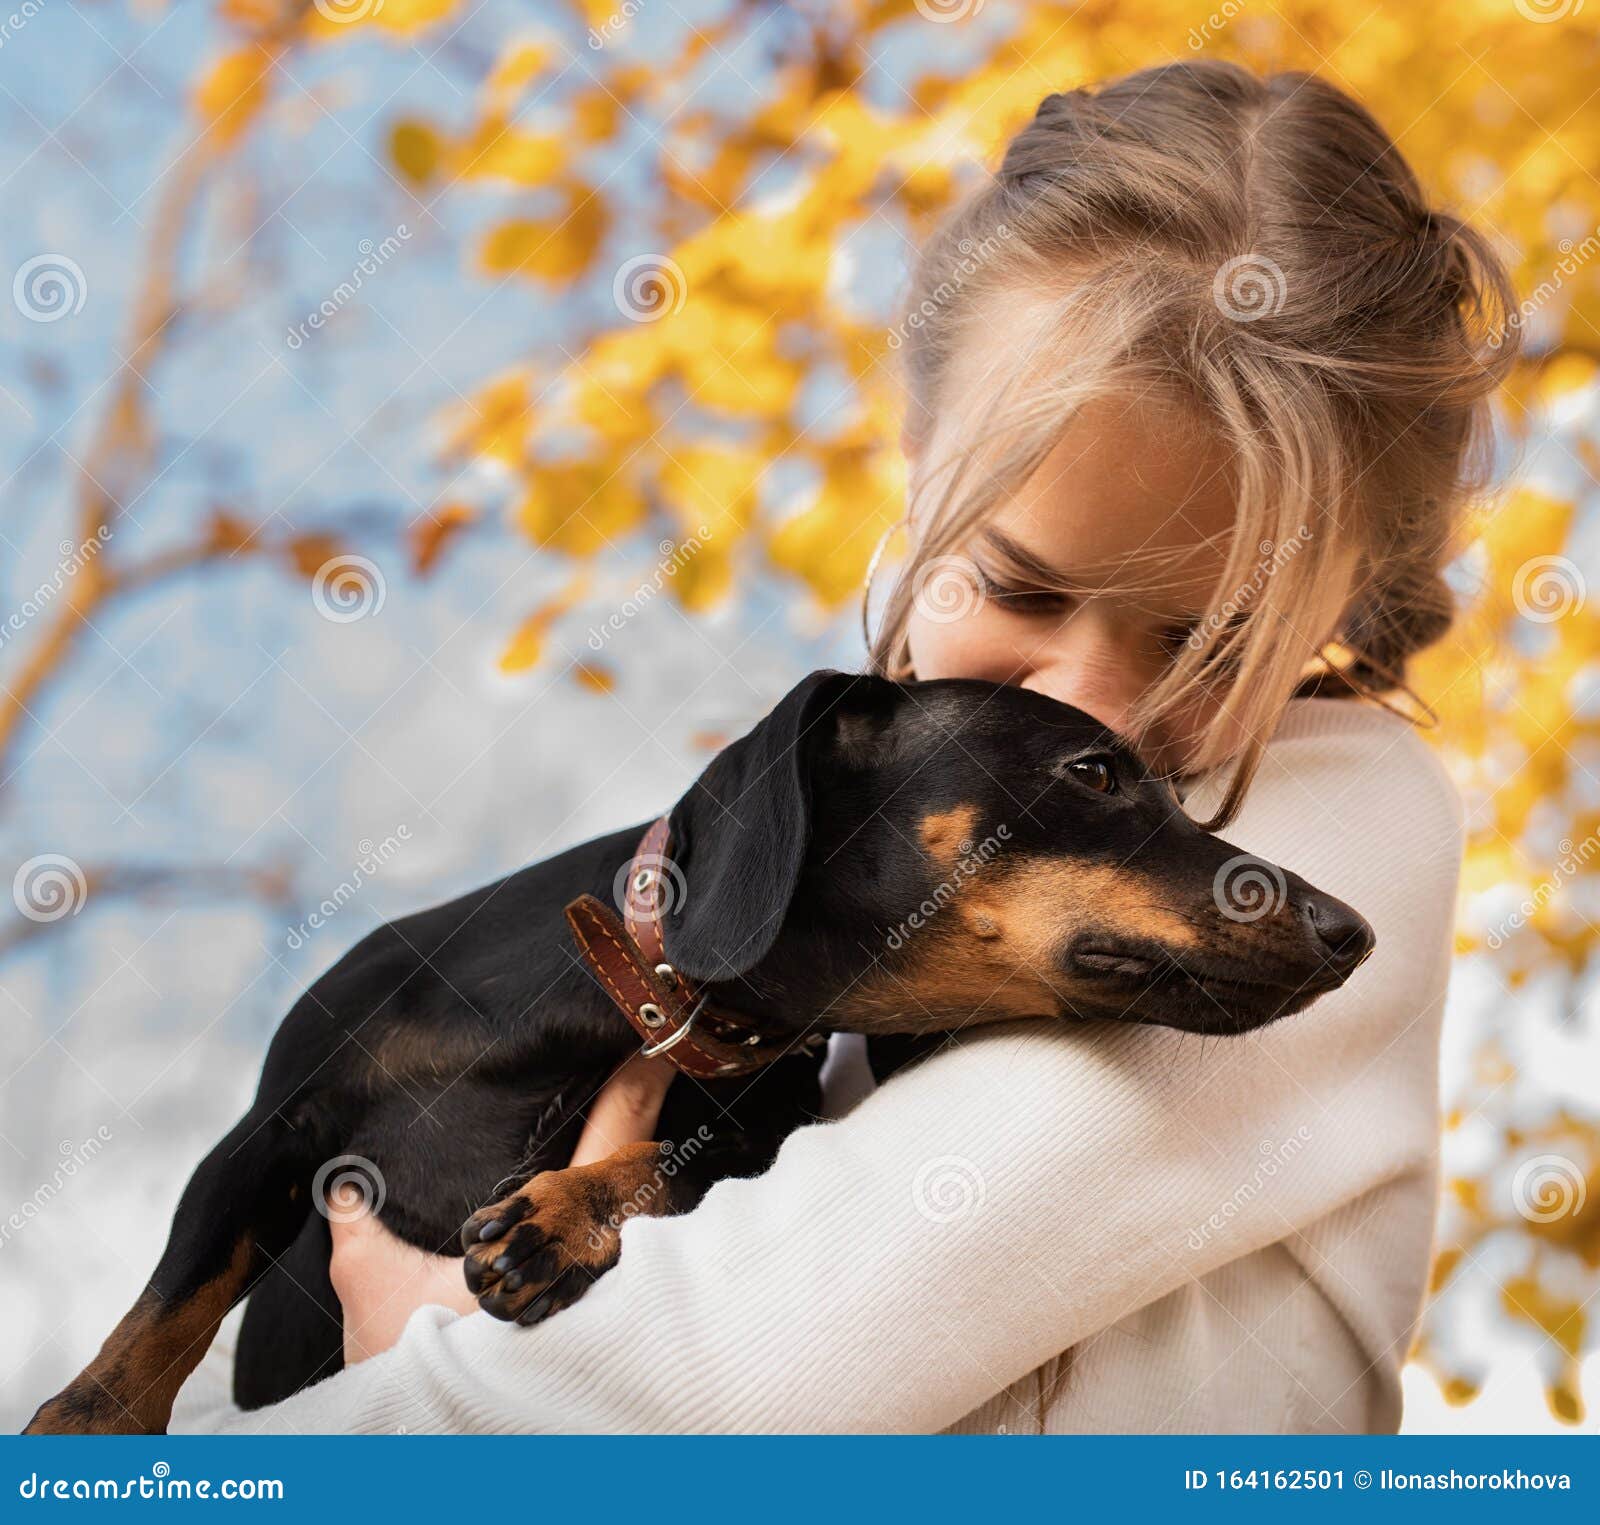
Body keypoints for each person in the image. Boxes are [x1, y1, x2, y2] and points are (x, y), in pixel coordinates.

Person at [178, 59, 1517, 1434]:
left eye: (1210, 642)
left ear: (1342, 599)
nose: (1098, 708)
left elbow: (731, 1378)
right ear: (916, 447)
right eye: (1021, 586)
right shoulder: (834, 927)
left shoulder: (1333, 816)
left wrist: (415, 1385)